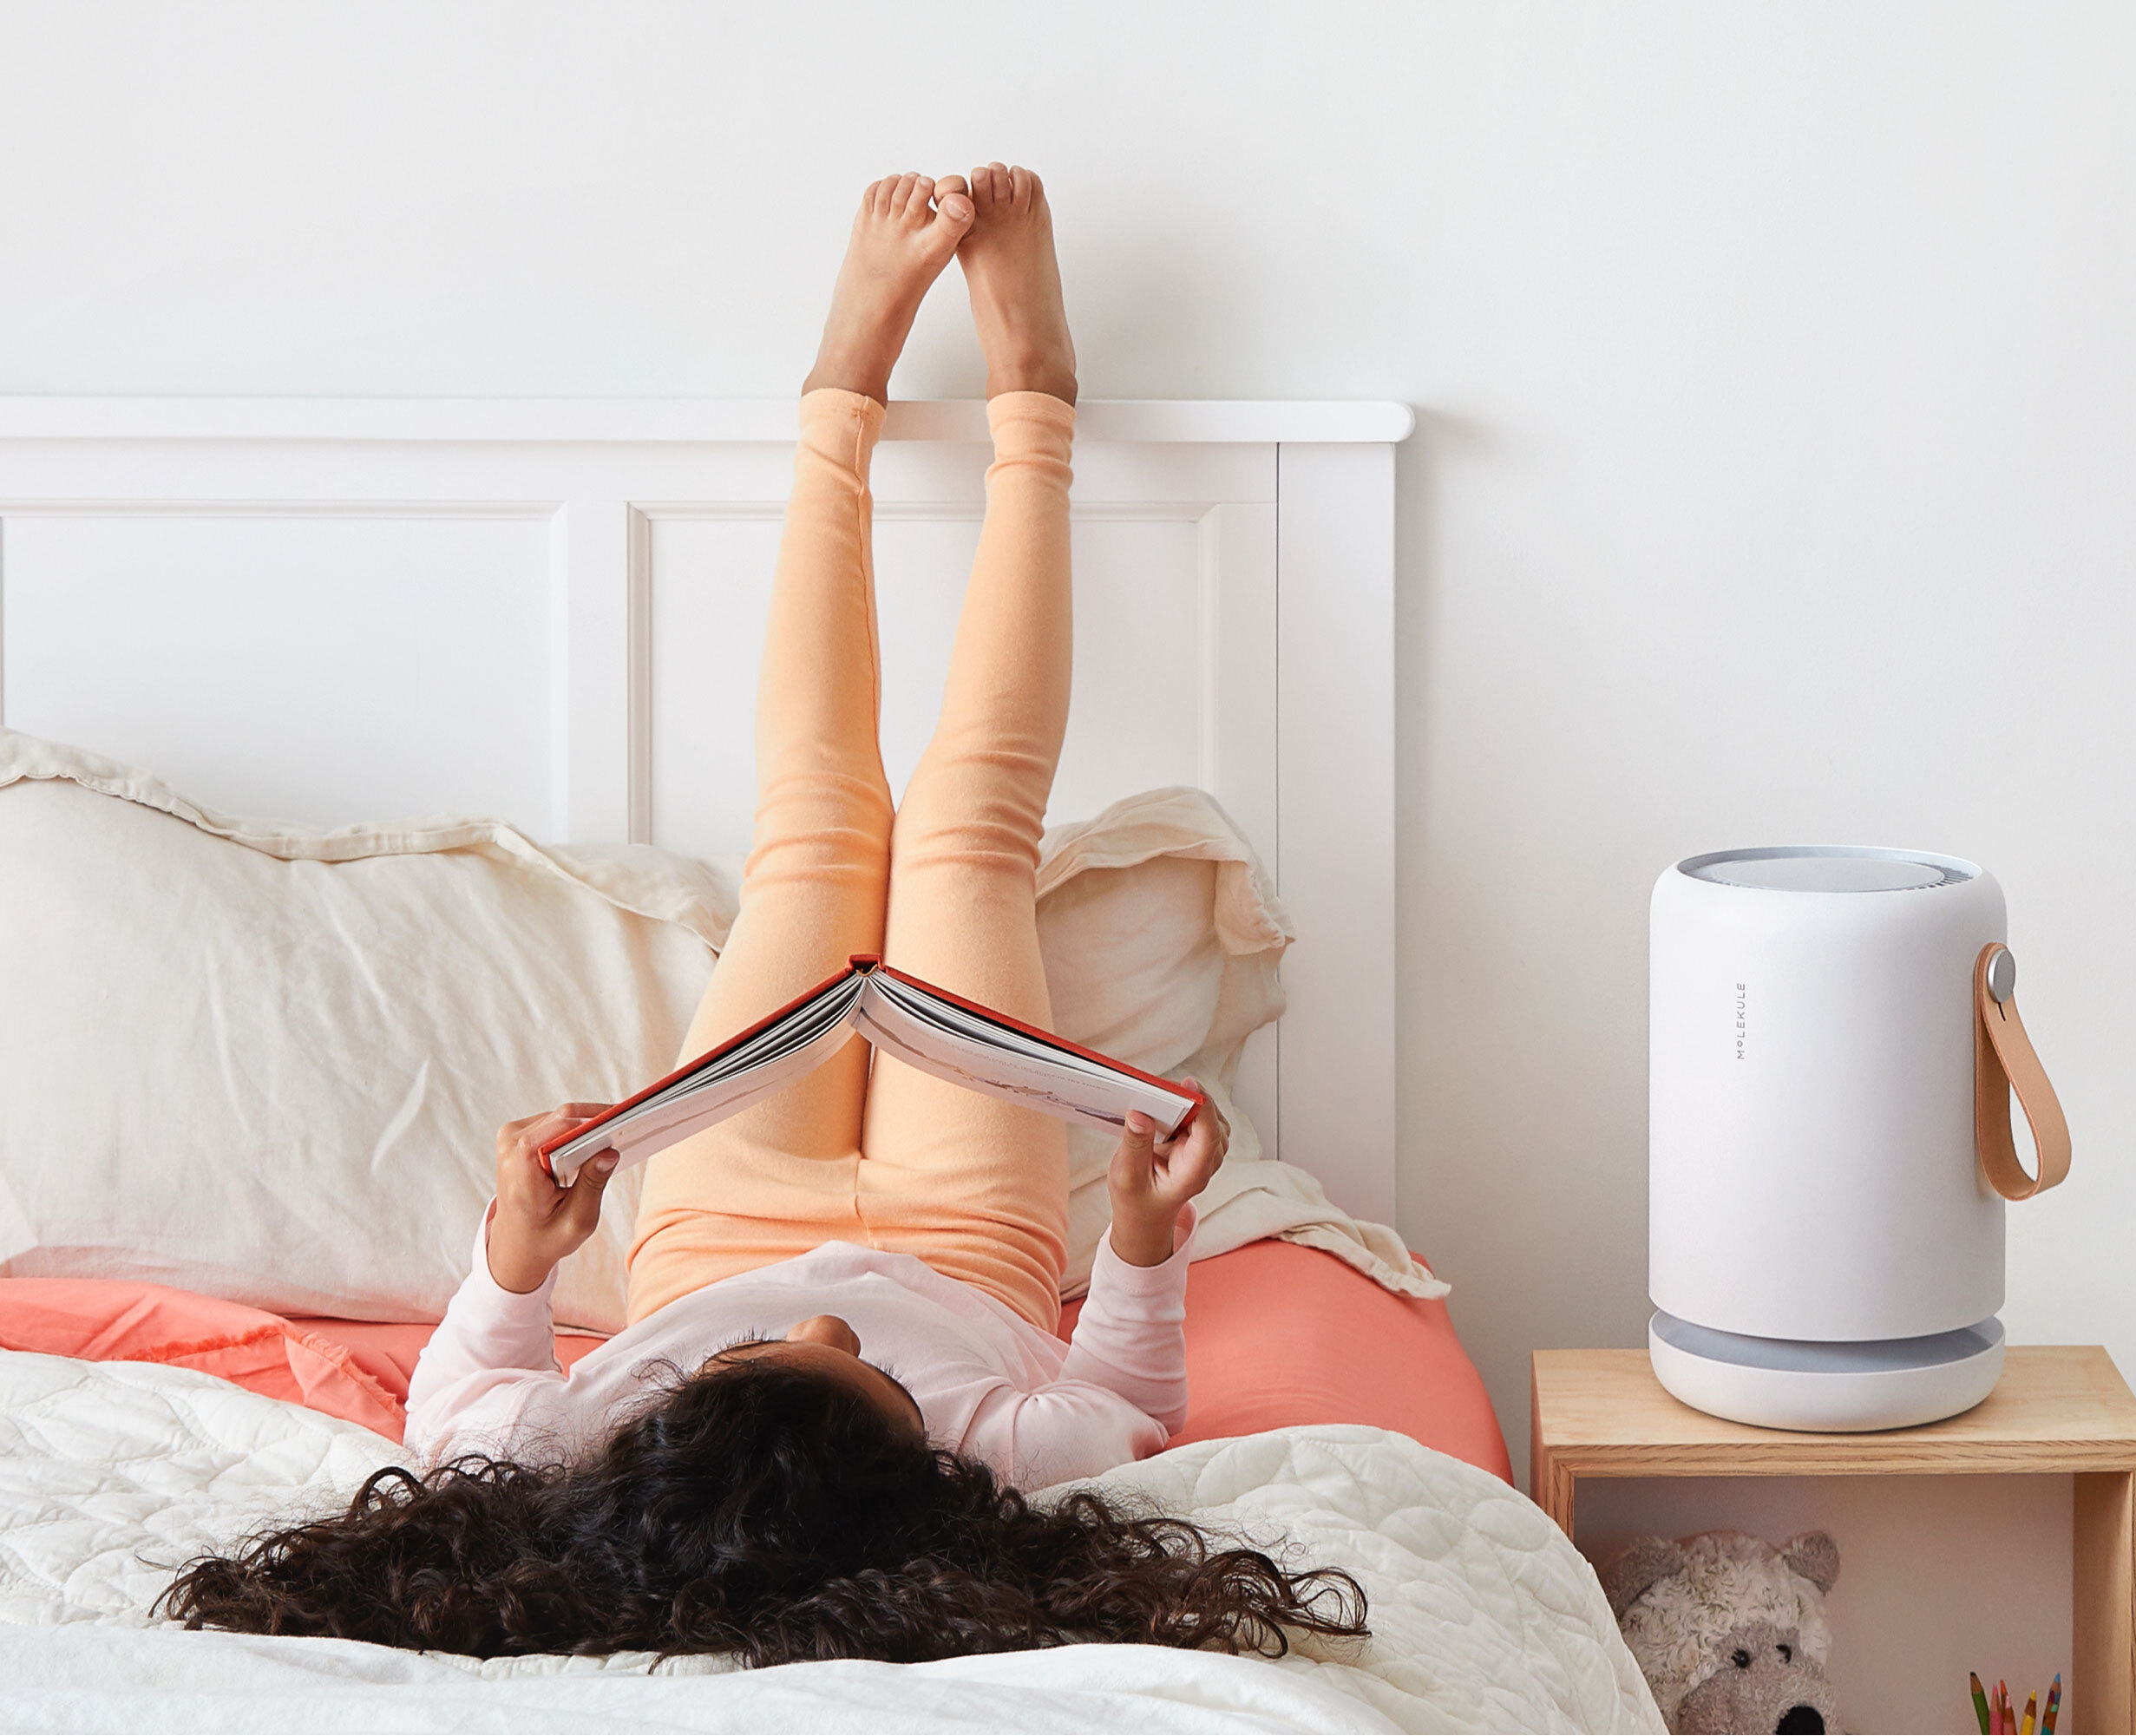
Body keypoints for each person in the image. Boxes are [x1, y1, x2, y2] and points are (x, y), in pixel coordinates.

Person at [160, 167, 1365, 1667]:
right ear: (934, 1476)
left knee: (813, 825)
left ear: (662, 1419)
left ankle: (836, 395)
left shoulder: (585, 1445)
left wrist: (520, 1252)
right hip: (965, 1233)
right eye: (873, 1377)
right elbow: (1129, 1399)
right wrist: (1135, 1236)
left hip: (716, 1217)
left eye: (772, 1355)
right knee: (972, 827)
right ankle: (1037, 406)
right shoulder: (1007, 1461)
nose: (830, 1322)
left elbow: (459, 1398)